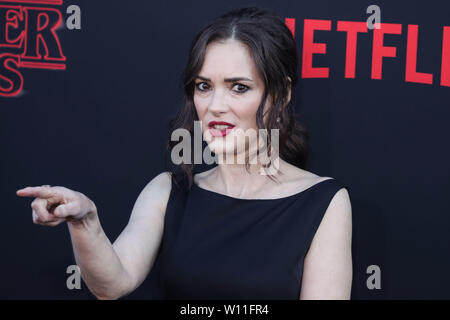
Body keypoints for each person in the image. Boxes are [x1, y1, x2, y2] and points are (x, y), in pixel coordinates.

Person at [16, 7, 352, 300]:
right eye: (204, 86)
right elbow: (112, 284)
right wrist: (85, 221)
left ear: (281, 94)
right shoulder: (169, 191)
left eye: (239, 87)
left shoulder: (324, 202)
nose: (216, 106)